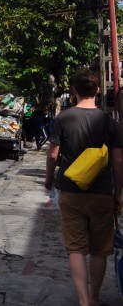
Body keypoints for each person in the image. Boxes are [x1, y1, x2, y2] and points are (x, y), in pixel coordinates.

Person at [45, 69, 123, 306]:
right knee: (100, 249)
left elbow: (54, 153)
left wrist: (49, 179)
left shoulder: (63, 118)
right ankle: (95, 298)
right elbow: (118, 161)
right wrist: (118, 194)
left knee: (76, 248)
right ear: (98, 91)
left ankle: (82, 302)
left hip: (70, 190)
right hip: (101, 192)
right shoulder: (110, 123)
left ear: (74, 91)